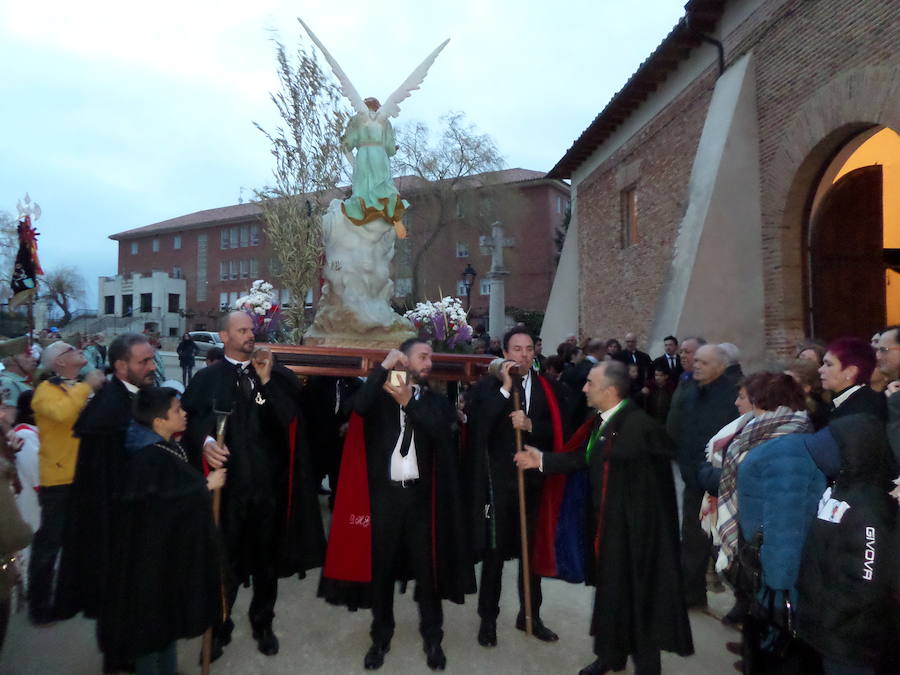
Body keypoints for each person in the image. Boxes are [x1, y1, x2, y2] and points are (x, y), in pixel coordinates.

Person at [515, 360, 693, 675]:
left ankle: (646, 668)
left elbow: (652, 499)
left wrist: (638, 543)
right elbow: (581, 458)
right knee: (611, 597)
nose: (584, 388)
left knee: (637, 602)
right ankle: (611, 656)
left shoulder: (639, 428)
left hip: (634, 539)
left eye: (590, 384)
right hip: (607, 531)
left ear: (609, 391)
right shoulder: (602, 421)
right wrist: (541, 461)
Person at [181, 311, 323, 661]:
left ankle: (263, 622)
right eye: (241, 330)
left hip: (267, 488)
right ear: (224, 336)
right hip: (225, 491)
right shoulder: (206, 379)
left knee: (265, 562)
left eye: (251, 329)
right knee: (223, 562)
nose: (249, 335)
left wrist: (267, 381)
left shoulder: (278, 375)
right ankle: (219, 626)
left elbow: (290, 420)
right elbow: (189, 422)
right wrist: (204, 444)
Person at [351, 339, 473, 671]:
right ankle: (380, 637)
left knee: (427, 572)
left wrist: (410, 404)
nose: (430, 362)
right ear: (404, 359)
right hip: (385, 498)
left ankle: (433, 638)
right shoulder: (379, 395)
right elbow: (358, 407)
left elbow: (444, 433)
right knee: (382, 571)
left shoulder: (435, 401)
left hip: (422, 501)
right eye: (423, 356)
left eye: (430, 356)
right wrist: (383, 369)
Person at [98, 387, 225, 674]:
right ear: (159, 421)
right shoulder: (147, 457)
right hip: (147, 565)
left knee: (165, 626)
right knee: (150, 632)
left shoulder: (166, 446)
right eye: (177, 410)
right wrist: (205, 487)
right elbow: (156, 507)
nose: (184, 413)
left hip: (164, 560)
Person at [470, 327, 569, 648]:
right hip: (498, 484)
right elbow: (478, 427)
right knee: (495, 554)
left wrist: (530, 425)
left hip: (534, 484)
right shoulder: (487, 387)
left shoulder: (548, 388)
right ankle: (488, 618)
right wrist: (505, 391)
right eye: (517, 349)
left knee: (532, 553)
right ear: (505, 353)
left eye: (528, 349)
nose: (524, 355)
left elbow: (558, 429)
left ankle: (531, 614)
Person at [55, 333, 157, 633]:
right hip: (117, 522)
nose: (152, 366)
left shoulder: (143, 394)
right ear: (121, 367)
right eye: (144, 361)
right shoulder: (108, 409)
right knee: (117, 594)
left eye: (152, 359)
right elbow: (101, 481)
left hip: (143, 515)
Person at [796, 414, 896, 675]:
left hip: (849, 638)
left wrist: (830, 615)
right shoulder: (841, 491)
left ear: (851, 452)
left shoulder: (868, 509)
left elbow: (867, 581)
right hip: (824, 631)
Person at [28, 341, 103, 624]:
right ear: (59, 362)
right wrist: (88, 387)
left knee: (79, 541)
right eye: (70, 349)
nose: (78, 350)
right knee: (49, 544)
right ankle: (39, 605)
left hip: (82, 476)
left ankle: (71, 595)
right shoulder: (45, 392)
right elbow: (62, 414)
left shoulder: (78, 387)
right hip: (58, 479)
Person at [668, 343, 738, 608]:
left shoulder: (732, 396)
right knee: (693, 537)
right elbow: (682, 430)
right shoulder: (691, 391)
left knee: (727, 542)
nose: (696, 365)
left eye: (703, 362)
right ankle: (691, 594)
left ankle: (740, 604)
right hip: (695, 479)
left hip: (723, 481)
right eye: (695, 360)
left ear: (720, 367)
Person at [340, 97, 408, 228]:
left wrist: (345, 142)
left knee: (362, 182)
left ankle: (363, 207)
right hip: (379, 154)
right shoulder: (384, 121)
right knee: (382, 183)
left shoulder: (356, 119)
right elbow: (389, 146)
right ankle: (381, 207)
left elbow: (349, 142)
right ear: (377, 107)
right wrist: (394, 149)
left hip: (363, 153)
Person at [819, 337, 886, 420]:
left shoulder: (863, 409)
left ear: (851, 371)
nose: (820, 370)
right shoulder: (840, 401)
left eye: (829, 365)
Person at [561, 338, 605, 423]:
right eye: (604, 350)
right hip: (584, 412)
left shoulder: (579, 366)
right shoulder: (593, 368)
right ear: (599, 350)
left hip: (573, 410)